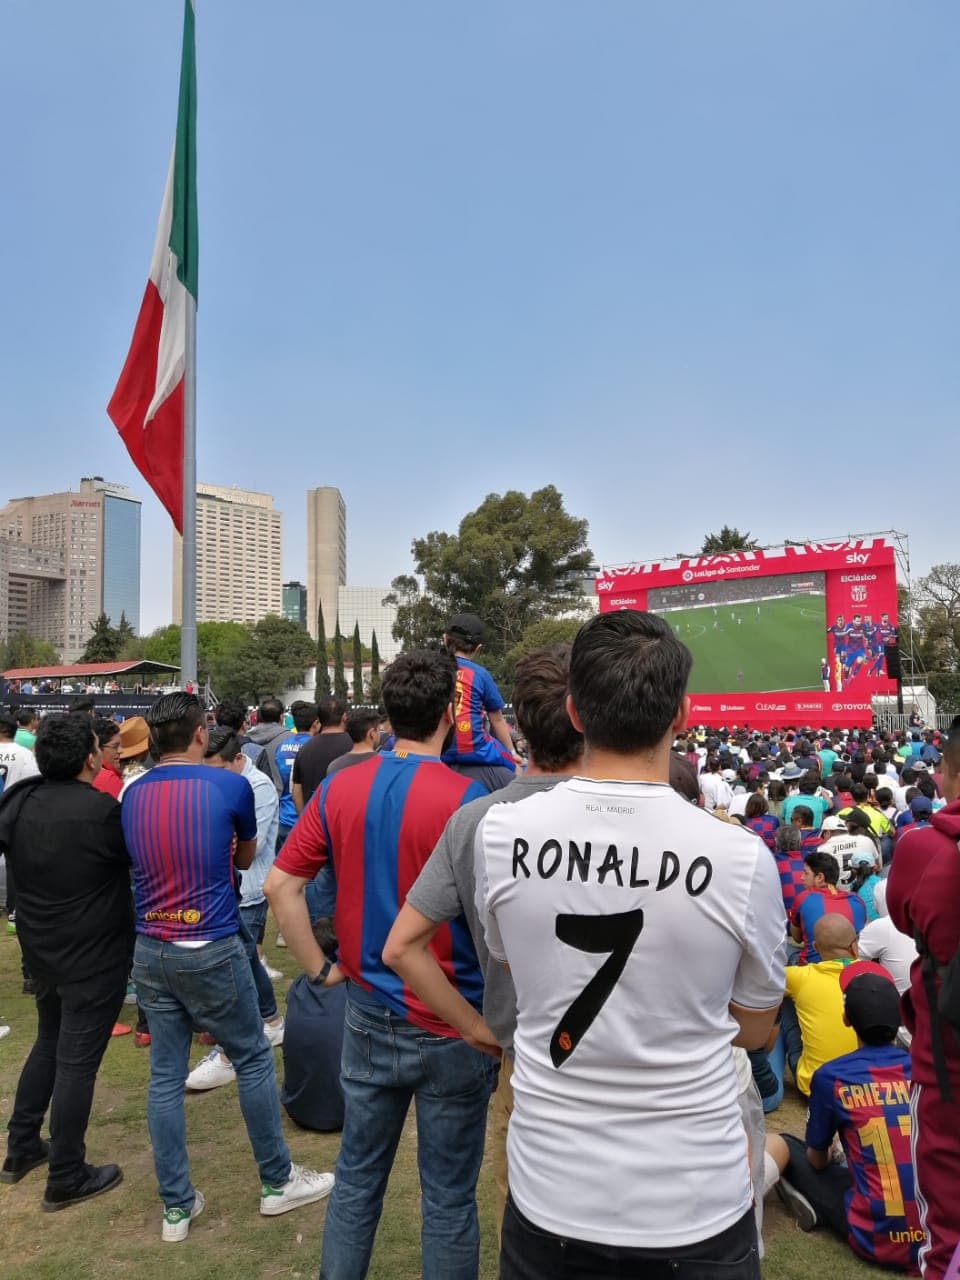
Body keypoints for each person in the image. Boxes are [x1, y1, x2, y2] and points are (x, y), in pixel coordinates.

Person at [471, 610, 786, 1277]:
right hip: (694, 1197)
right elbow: (756, 1031)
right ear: (682, 713)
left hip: (550, 1192)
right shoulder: (740, 857)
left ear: (575, 711)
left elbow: (517, 967)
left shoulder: (501, 835)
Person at [265, 649, 495, 1280]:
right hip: (448, 1018)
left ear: (390, 714)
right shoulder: (468, 800)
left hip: (373, 1010)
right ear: (451, 712)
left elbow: (281, 885)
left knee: (358, 1181)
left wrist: (320, 970)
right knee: (448, 1197)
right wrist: (320, 969)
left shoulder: (344, 784)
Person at [382, 645, 585, 1232]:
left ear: (516, 722)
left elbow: (400, 948)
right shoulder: (636, 817)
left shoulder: (479, 819)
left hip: (524, 1062)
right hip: (623, 1066)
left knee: (523, 1228)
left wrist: (478, 1030)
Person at [121, 693, 333, 1242]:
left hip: (152, 945)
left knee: (164, 1077)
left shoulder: (131, 793)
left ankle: (176, 1206)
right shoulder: (230, 785)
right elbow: (243, 857)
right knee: (254, 1056)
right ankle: (277, 1180)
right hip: (210, 941)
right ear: (199, 735)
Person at [0, 713, 132, 1208]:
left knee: (50, 1041)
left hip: (42, 949)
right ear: (89, 757)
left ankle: (21, 1146)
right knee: (75, 1061)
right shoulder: (102, 811)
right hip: (92, 955)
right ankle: (66, 1173)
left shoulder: (19, 801)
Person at [767, 961, 922, 1273]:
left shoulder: (832, 1076)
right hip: (932, 1235)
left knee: (784, 1143)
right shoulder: (923, 1070)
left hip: (873, 1237)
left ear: (846, 1019)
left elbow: (817, 1161)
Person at [887, 725, 960, 1280]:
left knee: (945, 1241)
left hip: (947, 1082)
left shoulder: (924, 847)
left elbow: (902, 914)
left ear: (947, 773)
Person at [184, 727, 285, 1091]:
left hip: (249, 888)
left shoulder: (255, 788)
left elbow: (248, 849)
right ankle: (271, 1021)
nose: (209, 775)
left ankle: (233, 1050)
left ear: (238, 760)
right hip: (222, 886)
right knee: (244, 960)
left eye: (217, 768)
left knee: (235, 968)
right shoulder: (221, 784)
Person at [780, 915, 860, 1096]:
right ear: (854, 946)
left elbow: (760, 981)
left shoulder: (799, 977)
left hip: (816, 1086)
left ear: (815, 947)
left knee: (783, 997)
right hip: (866, 1088)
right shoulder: (873, 973)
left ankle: (768, 1072)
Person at [440, 612, 518, 790]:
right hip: (473, 748)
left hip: (438, 748)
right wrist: (512, 752)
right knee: (515, 765)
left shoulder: (433, 668)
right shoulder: (480, 674)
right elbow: (496, 719)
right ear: (478, 648)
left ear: (445, 640)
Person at [791, 848, 868, 965]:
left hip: (812, 970)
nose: (802, 877)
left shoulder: (803, 898)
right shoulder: (857, 900)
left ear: (820, 878)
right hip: (849, 971)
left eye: (806, 873)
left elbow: (797, 938)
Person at [290, 695, 352, 809]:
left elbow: (296, 794)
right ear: (344, 717)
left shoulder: (304, 749)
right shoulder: (355, 745)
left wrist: (305, 819)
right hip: (346, 819)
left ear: (319, 719)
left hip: (314, 819)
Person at [324, 707, 382, 778]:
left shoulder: (334, 766)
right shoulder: (384, 766)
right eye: (379, 731)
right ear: (372, 733)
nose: (380, 735)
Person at [91, 718, 124, 799]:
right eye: (115, 746)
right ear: (97, 749)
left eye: (121, 745)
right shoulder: (109, 780)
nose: (121, 751)